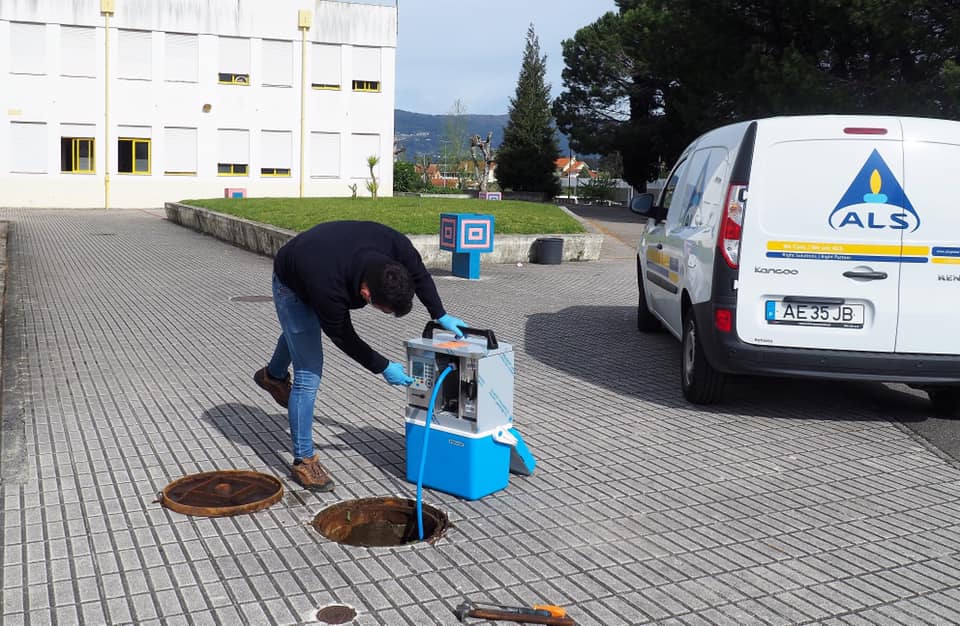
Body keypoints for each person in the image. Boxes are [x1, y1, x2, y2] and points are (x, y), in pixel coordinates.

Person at [253, 220, 467, 491]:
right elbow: (344, 336)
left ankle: (273, 376)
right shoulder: (329, 286)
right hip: (292, 281)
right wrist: (383, 366)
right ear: (366, 294)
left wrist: (440, 314)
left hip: (322, 257)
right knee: (309, 371)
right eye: (385, 311)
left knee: (301, 334)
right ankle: (303, 459)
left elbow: (421, 275)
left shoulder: (397, 247)